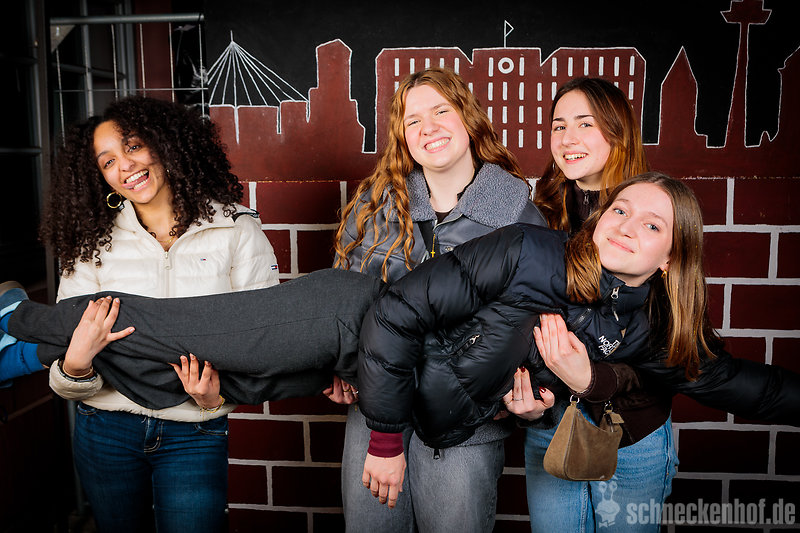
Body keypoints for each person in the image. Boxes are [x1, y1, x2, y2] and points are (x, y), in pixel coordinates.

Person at [2, 174, 798, 518]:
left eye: (650, 223)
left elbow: (746, 386)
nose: (625, 225)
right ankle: (21, 319)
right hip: (350, 321)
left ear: (673, 254)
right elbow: (395, 315)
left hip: (389, 380)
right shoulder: (533, 252)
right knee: (183, 331)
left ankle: (32, 352)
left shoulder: (657, 329)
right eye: (620, 209)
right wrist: (384, 438)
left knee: (206, 380)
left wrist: (539, 397)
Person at [2, 95, 280, 533]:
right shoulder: (92, 242)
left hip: (194, 431)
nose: (125, 166)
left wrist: (216, 399)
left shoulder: (235, 228)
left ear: (164, 143)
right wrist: (76, 365)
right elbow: (64, 369)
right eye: (108, 161)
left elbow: (267, 338)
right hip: (104, 429)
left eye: (133, 146)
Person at [329, 66, 546, 533]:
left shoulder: (517, 215)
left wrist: (529, 394)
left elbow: (534, 323)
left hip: (465, 422)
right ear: (402, 137)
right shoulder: (376, 205)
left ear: (468, 118)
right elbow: (344, 300)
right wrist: (340, 366)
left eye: (441, 111)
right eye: (412, 120)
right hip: (375, 413)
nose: (427, 127)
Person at [517, 76, 676, 532]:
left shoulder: (655, 214)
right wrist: (528, 395)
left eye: (585, 124)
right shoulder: (538, 212)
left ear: (617, 131)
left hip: (631, 430)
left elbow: (670, 350)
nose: (568, 138)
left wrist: (592, 379)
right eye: (559, 125)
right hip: (552, 424)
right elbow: (518, 317)